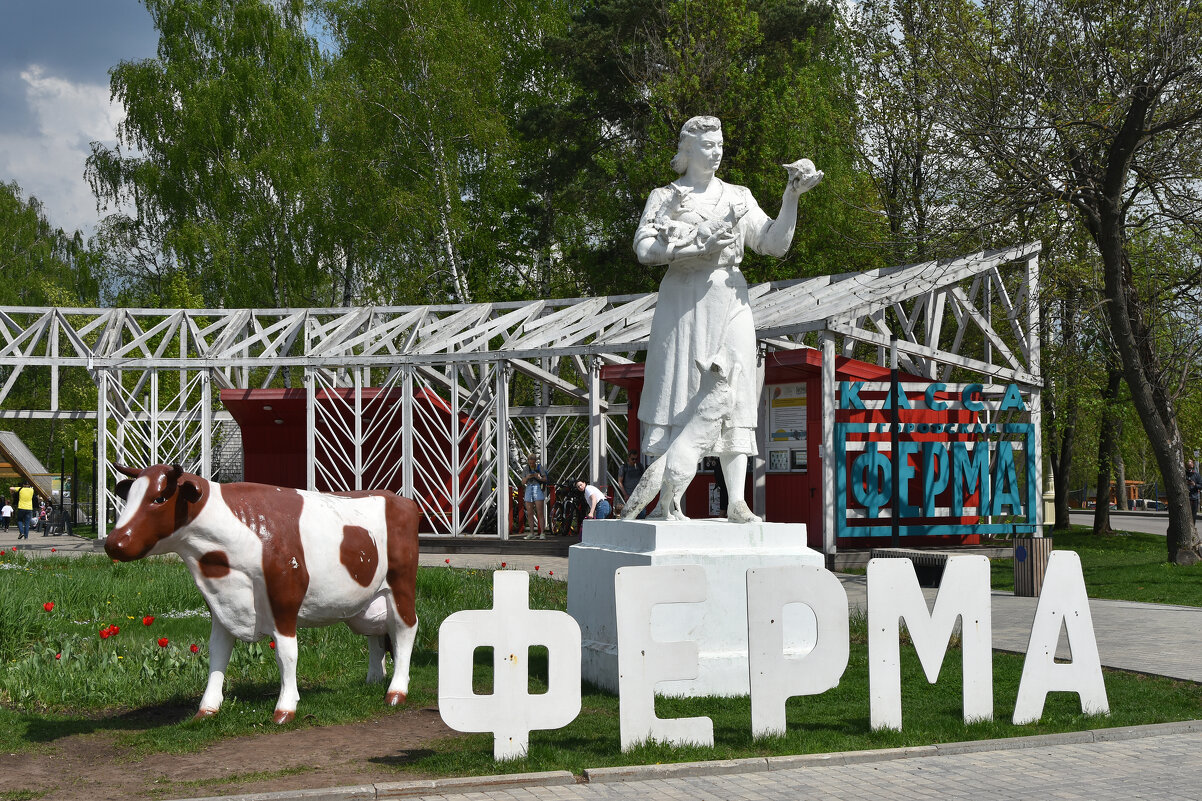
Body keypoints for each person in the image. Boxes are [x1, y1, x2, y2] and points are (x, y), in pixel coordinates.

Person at [633, 115, 821, 523]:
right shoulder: (665, 197)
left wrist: (791, 198)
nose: (716, 151)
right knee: (675, 391)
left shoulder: (738, 195)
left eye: (720, 143)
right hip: (683, 300)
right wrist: (692, 247)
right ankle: (667, 504)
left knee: (734, 390)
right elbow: (644, 249)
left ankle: (737, 500)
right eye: (707, 145)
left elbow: (773, 244)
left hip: (730, 295)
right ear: (687, 149)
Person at [522, 453, 548, 539]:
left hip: (537, 488)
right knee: (529, 513)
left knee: (540, 512)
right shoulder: (526, 468)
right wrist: (527, 477)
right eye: (530, 463)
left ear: (535, 461)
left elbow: (545, 479)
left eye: (533, 463)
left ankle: (542, 533)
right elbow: (523, 482)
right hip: (529, 488)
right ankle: (531, 533)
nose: (531, 465)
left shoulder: (539, 467)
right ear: (528, 462)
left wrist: (539, 477)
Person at [618, 450, 648, 519]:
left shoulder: (640, 466)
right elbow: (620, 481)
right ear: (628, 458)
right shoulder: (623, 468)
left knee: (642, 513)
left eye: (636, 459)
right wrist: (625, 494)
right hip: (629, 495)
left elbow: (644, 479)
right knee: (630, 514)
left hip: (639, 494)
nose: (634, 461)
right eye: (632, 459)